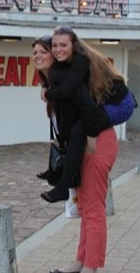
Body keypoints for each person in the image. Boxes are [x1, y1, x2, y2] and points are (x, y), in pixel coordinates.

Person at [31, 29, 121, 273]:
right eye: (35, 52)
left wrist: (91, 141)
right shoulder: (54, 82)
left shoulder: (68, 80)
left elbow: (87, 110)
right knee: (85, 207)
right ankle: (81, 261)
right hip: (82, 147)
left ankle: (91, 269)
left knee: (93, 209)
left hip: (96, 144)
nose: (38, 56)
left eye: (44, 51)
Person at [39, 26, 133, 203]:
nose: (58, 50)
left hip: (120, 104)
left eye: (63, 45)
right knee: (71, 123)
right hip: (104, 101)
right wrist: (46, 86)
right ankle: (59, 172)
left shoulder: (80, 62)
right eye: (54, 46)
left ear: (73, 45)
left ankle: (63, 188)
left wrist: (91, 138)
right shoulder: (63, 65)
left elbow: (68, 91)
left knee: (78, 129)